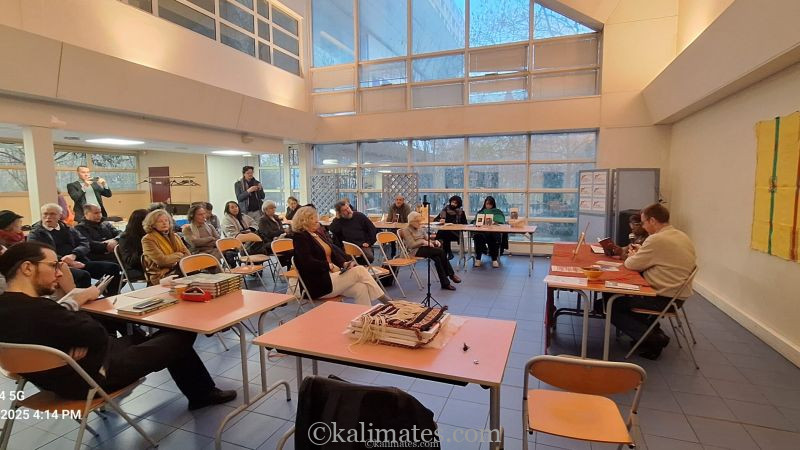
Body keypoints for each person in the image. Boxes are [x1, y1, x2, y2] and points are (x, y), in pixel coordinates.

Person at [0, 242, 236, 410]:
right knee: (180, 333)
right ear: (27, 268)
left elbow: (63, 331)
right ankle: (202, 394)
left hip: (58, 380)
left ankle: (201, 392)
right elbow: (96, 334)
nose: (60, 273)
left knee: (142, 338)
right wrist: (75, 305)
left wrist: (68, 343)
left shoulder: (13, 308)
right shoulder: (42, 310)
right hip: (96, 377)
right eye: (54, 265)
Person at [611, 203, 697, 360]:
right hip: (677, 295)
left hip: (662, 297)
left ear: (652, 221)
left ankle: (653, 338)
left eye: (643, 222)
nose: (643, 226)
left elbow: (630, 264)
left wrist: (633, 255)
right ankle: (651, 331)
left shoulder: (657, 239)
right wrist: (640, 254)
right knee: (615, 299)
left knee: (611, 304)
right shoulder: (681, 235)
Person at [292, 207, 389, 306]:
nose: (317, 220)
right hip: (318, 284)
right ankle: (386, 301)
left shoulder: (316, 234)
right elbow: (307, 262)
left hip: (331, 277)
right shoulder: (300, 237)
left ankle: (365, 314)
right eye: (313, 218)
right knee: (360, 270)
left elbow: (332, 254)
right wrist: (328, 265)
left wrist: (344, 263)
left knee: (361, 288)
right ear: (304, 221)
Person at [28, 204, 121, 296]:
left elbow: (84, 243)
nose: (48, 217)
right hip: (58, 266)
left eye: (52, 214)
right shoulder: (36, 233)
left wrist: (74, 255)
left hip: (79, 260)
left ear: (60, 216)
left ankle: (111, 297)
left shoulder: (67, 228)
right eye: (45, 214)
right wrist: (68, 261)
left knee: (112, 268)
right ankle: (83, 302)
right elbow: (40, 252)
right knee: (83, 275)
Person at [401, 212, 460, 291]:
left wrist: (434, 242)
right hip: (414, 251)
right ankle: (451, 275)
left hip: (424, 248)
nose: (419, 223)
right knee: (441, 252)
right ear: (411, 222)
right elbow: (411, 245)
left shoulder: (420, 228)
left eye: (420, 221)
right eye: (417, 221)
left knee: (437, 258)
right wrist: (423, 242)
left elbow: (427, 240)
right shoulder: (406, 230)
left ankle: (445, 283)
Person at [141, 209, 190, 285]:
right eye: (160, 221)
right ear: (152, 224)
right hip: (161, 275)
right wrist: (180, 255)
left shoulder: (175, 236)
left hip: (180, 269)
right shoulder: (148, 239)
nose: (164, 223)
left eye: (166, 220)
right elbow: (162, 261)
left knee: (200, 275)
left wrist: (172, 259)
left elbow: (188, 255)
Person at [472, 196, 505, 268]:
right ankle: (478, 259)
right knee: (478, 237)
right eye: (487, 204)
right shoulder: (481, 212)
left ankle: (494, 259)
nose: (488, 206)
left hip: (493, 232)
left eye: (490, 204)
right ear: (485, 204)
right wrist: (477, 223)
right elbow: (475, 221)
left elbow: (501, 221)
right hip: (482, 233)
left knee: (494, 237)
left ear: (493, 204)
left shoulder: (497, 212)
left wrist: (495, 222)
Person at [117, 209, 148, 281]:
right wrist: (144, 248)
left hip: (148, 265)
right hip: (136, 269)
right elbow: (130, 262)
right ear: (140, 222)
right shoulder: (126, 238)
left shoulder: (149, 234)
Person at [435, 195, 468, 260]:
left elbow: (465, 224)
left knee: (443, 234)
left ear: (458, 204)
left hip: (456, 233)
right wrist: (440, 220)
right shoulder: (444, 211)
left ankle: (446, 253)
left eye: (455, 203)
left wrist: (458, 225)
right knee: (445, 233)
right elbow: (436, 219)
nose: (453, 204)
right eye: (452, 202)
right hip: (445, 232)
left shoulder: (461, 212)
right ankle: (448, 253)